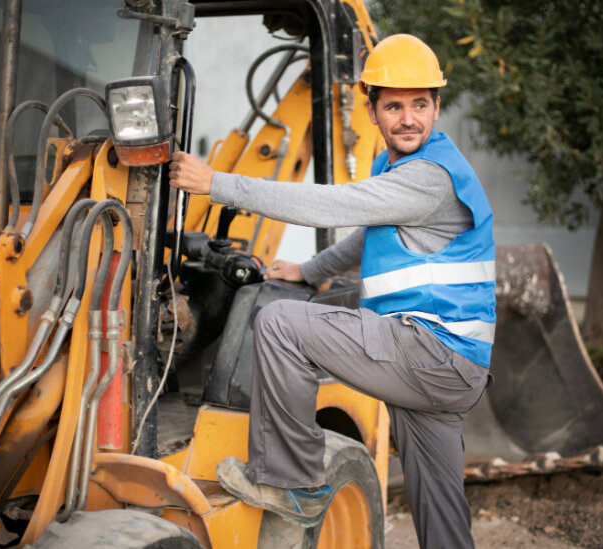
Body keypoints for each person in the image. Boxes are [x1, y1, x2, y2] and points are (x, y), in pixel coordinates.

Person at [169, 33, 495, 549]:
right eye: (394, 106)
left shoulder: (429, 177)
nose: (408, 118)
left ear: (436, 106)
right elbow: (370, 233)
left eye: (419, 105)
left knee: (280, 324)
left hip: (431, 351)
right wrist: (308, 269)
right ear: (371, 110)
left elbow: (334, 206)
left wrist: (218, 183)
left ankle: (293, 482)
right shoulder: (409, 167)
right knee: (441, 515)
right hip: (455, 365)